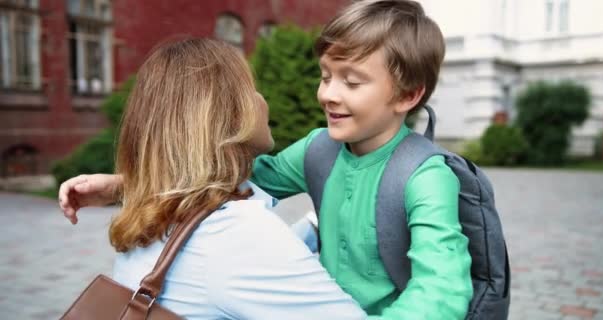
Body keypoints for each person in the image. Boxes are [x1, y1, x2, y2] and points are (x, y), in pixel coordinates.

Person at [60, 1, 473, 319]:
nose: (327, 94)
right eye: (326, 76)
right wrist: (127, 183)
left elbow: (443, 291)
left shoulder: (426, 176)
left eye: (351, 81)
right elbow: (222, 174)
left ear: (407, 96)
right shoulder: (319, 148)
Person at [61, 37, 366, 320]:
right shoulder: (239, 236)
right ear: (230, 115)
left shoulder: (153, 211)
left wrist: (125, 184)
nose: (261, 99)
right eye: (250, 89)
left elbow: (228, 271)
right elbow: (240, 260)